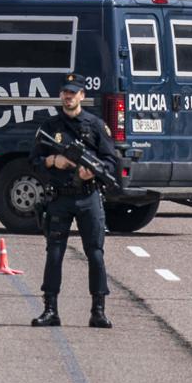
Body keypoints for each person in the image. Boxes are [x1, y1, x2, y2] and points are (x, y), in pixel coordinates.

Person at [28, 73, 120, 329]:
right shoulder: (49, 127)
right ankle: (50, 309)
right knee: (54, 254)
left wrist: (93, 170)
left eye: (74, 92)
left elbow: (112, 161)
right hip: (60, 198)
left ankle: (98, 310)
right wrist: (51, 161)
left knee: (96, 254)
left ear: (82, 96)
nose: (68, 96)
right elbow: (33, 161)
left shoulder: (96, 126)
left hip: (89, 197)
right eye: (65, 92)